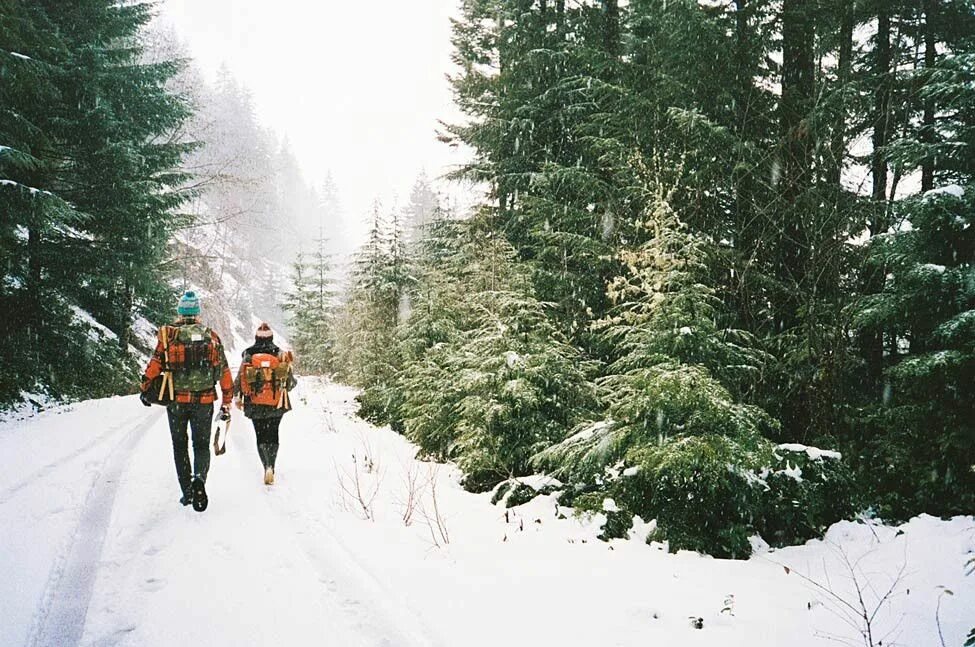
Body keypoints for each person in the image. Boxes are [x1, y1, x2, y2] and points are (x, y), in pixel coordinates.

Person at [140, 290, 233, 511]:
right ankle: (199, 478)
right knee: (201, 445)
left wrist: (145, 387)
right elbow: (223, 370)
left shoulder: (169, 336)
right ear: (197, 313)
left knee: (179, 445)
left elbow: (155, 365)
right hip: (204, 401)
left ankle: (187, 492)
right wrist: (227, 399)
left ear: (180, 312)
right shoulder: (211, 337)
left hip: (177, 401)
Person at [234, 323, 296, 486]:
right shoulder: (280, 354)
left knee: (261, 435)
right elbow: (290, 383)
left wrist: (236, 396)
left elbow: (240, 379)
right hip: (276, 403)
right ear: (272, 337)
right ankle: (272, 466)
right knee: (273, 434)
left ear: (256, 337)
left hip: (255, 403)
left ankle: (265, 466)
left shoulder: (248, 354)